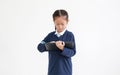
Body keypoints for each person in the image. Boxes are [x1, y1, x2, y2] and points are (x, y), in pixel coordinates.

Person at [37, 9, 76, 75]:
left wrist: (62, 48)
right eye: (57, 24)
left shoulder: (70, 35)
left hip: (66, 71)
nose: (60, 26)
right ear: (54, 22)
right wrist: (50, 45)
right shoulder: (50, 36)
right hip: (52, 70)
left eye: (62, 24)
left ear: (67, 21)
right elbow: (40, 47)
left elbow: (73, 52)